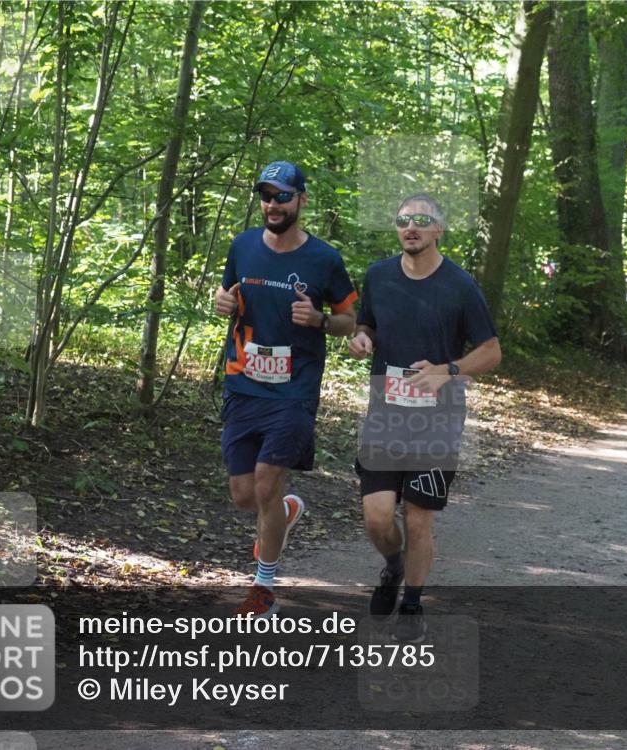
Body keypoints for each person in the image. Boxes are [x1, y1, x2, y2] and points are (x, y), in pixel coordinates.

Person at [348, 193, 501, 642]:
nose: (410, 227)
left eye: (422, 220)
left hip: (438, 420)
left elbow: (491, 351)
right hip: (385, 417)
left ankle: (412, 604)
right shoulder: (378, 276)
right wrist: (359, 338)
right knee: (377, 518)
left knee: (418, 518)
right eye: (403, 220)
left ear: (439, 229)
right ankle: (393, 566)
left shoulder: (460, 285)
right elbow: (367, 325)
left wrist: (448, 370)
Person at [214, 161, 357, 617]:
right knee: (244, 495)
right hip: (243, 383)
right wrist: (222, 303)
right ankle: (286, 512)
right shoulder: (241, 246)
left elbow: (351, 321)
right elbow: (228, 298)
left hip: (294, 391)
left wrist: (319, 320)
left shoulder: (324, 260)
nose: (272, 205)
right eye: (266, 196)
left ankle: (264, 587)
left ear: (301, 200)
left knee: (265, 484)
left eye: (282, 196)